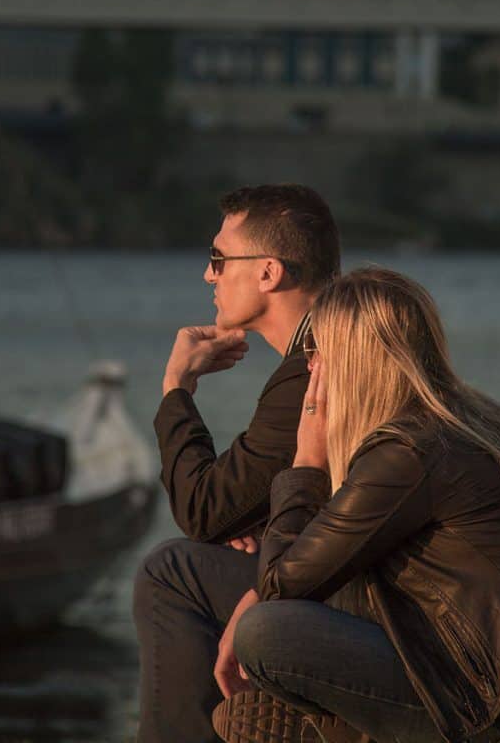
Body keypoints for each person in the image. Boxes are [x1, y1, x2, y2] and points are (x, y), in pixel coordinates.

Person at [213, 267, 500, 743]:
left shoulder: (409, 453)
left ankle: (339, 730)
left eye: (316, 350)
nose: (310, 367)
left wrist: (306, 463)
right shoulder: (482, 421)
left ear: (352, 360)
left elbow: (279, 588)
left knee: (266, 632)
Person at [133, 184, 342, 743]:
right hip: (358, 570)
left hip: (369, 591)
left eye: (219, 259)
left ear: (268, 273)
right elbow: (234, 506)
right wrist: (268, 516)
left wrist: (178, 387)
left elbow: (203, 510)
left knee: (172, 572)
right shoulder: (335, 342)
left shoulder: (312, 368)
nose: (208, 275)